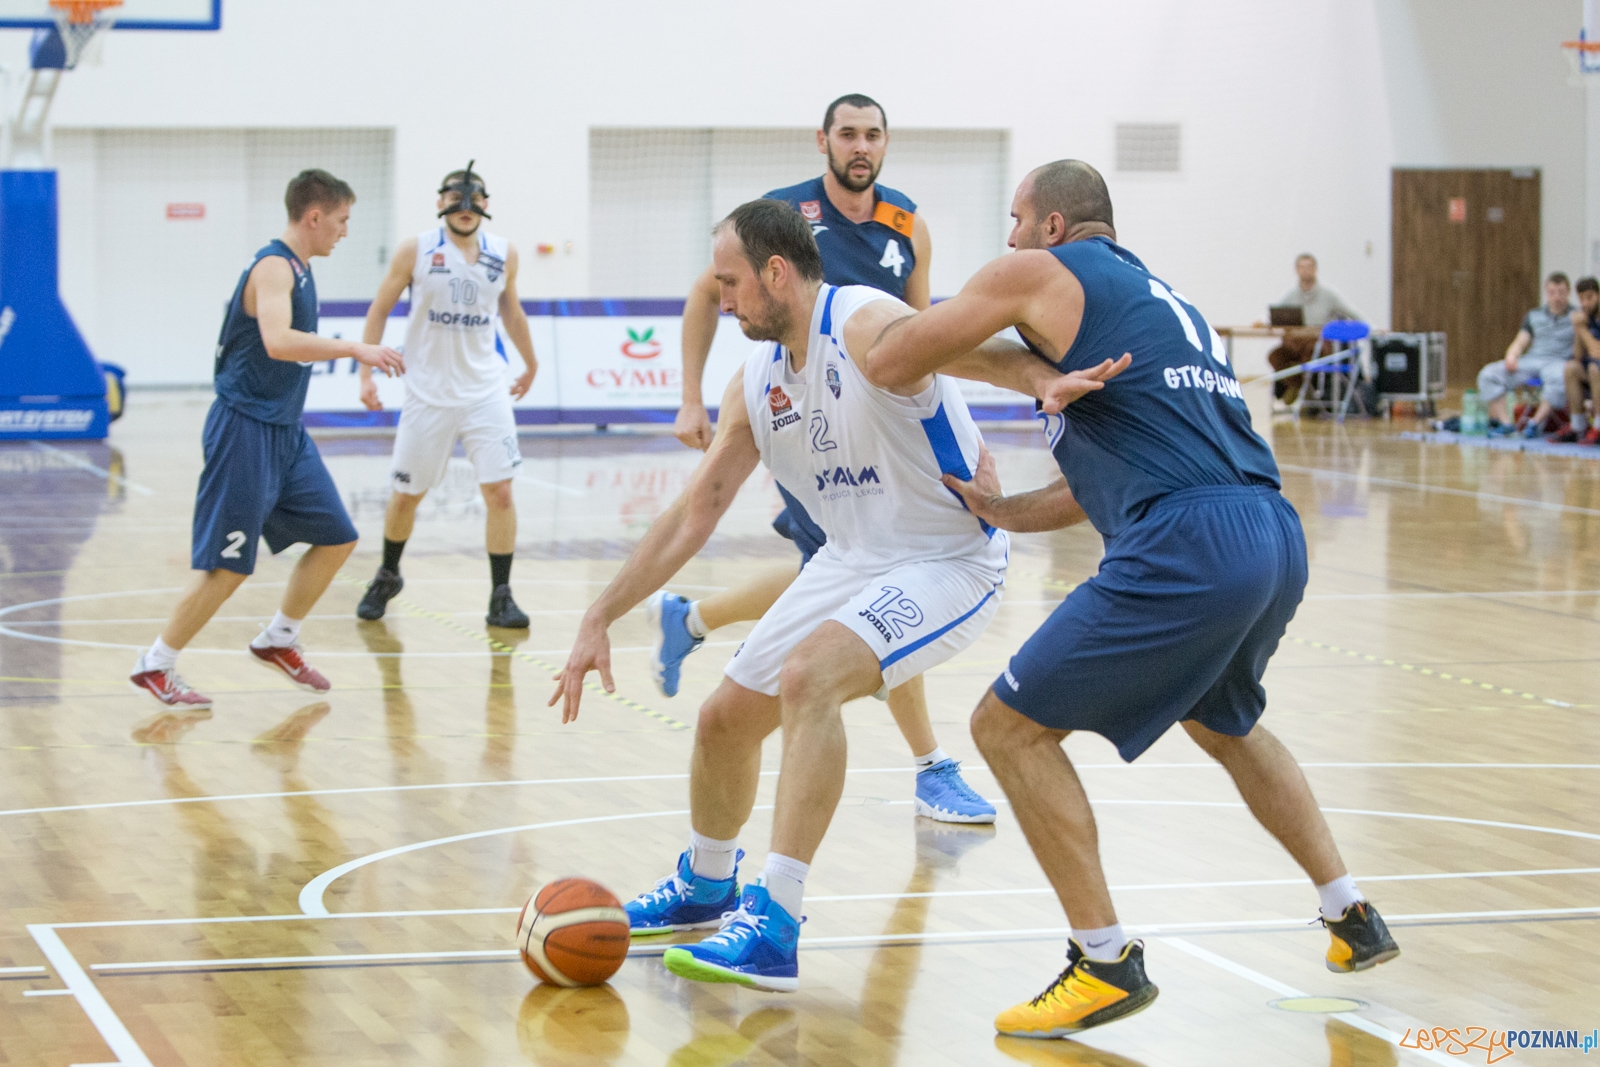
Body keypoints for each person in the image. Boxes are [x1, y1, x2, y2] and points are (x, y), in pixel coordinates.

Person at [864, 160, 1400, 1038]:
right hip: (1271, 531)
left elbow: (891, 358)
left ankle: (1104, 959)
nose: (1005, 238)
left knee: (1006, 727)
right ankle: (1351, 912)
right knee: (1222, 723)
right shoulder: (1158, 308)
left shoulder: (1038, 274)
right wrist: (1000, 505)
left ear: (1053, 226)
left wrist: (974, 357)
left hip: (1191, 543)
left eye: (1014, 218)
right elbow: (1088, 492)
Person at [550, 199, 1116, 992]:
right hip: (853, 558)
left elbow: (966, 348)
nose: (722, 301)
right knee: (722, 719)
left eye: (730, 283)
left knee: (810, 675)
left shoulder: (858, 319)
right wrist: (599, 612)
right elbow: (696, 511)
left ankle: (775, 921)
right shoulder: (755, 379)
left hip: (950, 555)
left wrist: (1043, 379)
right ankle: (706, 886)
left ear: (777, 273)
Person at [658, 93, 994, 824]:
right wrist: (691, 396)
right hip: (811, 427)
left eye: (873, 134)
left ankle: (691, 619)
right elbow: (705, 297)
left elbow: (926, 330)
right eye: (848, 133)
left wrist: (965, 422)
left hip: (883, 437)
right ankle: (930, 763)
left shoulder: (906, 224)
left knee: (850, 580)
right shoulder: (780, 217)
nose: (861, 145)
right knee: (868, 584)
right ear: (824, 142)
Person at [129, 170, 406, 709]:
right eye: (343, 220)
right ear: (315, 216)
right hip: (244, 428)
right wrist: (357, 351)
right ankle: (156, 663)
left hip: (283, 429)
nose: (345, 232)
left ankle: (279, 637)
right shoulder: (274, 266)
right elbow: (279, 342)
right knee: (228, 564)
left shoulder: (302, 268)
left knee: (337, 535)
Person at [353, 163, 540, 628]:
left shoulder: (503, 253)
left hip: (485, 391)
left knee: (499, 492)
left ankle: (501, 595)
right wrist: (365, 374)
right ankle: (388, 573)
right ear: (440, 203)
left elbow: (511, 311)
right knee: (405, 496)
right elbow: (379, 309)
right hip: (427, 393)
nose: (464, 205)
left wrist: (531, 363)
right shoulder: (415, 250)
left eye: (474, 197)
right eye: (455, 196)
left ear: (485, 206)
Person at [1479, 272, 1573, 438]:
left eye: (1561, 292)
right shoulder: (1533, 316)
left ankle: (1535, 423)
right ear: (1546, 293)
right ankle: (1506, 423)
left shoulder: (1576, 317)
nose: (1557, 297)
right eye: (1552, 292)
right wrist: (1511, 355)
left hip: (1558, 362)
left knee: (1559, 378)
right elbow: (1520, 341)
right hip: (1533, 360)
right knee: (1488, 374)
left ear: (1568, 292)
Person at [1266, 254, 1361, 405]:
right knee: (1275, 356)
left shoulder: (1328, 295)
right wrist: (1262, 321)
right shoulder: (1291, 296)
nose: (1306, 271)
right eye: (1302, 267)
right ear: (1297, 270)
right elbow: (1274, 315)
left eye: (1309, 267)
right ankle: (1300, 388)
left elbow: (1352, 313)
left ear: (1315, 270)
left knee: (1311, 355)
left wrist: (1374, 328)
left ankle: (1305, 392)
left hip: (1318, 344)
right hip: (1295, 343)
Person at [1553, 275, 1600, 444]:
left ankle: (1598, 428)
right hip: (1594, 375)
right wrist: (1579, 328)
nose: (1585, 303)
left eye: (1590, 297)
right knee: (1571, 368)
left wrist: (1581, 328)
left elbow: (1596, 353)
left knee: (1595, 369)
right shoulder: (1588, 318)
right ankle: (1578, 426)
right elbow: (1578, 355)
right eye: (1581, 299)